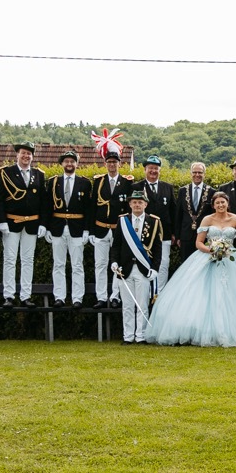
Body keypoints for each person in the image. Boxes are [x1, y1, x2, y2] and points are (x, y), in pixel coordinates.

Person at [144, 191, 236, 346]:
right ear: (213, 205)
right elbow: (199, 243)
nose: (220, 205)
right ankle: (200, 330)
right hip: (208, 256)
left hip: (230, 258)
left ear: (227, 203)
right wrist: (212, 250)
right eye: (217, 203)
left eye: (223, 202)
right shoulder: (207, 219)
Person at [0, 141, 47, 307]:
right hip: (11, 222)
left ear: (32, 156)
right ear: (17, 154)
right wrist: (1, 221)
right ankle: (9, 296)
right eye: (23, 153)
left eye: (29, 154)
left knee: (28, 260)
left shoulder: (39, 174)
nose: (26, 156)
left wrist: (43, 223)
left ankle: (25, 296)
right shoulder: (6, 173)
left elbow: (44, 202)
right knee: (10, 260)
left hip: (31, 223)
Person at [110, 190, 164, 343]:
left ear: (145, 204)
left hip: (143, 269)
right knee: (127, 305)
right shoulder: (123, 221)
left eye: (140, 202)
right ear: (130, 204)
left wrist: (155, 269)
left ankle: (140, 336)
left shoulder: (153, 221)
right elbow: (116, 245)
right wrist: (114, 262)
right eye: (134, 202)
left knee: (142, 305)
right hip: (124, 268)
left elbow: (158, 248)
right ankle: (128, 336)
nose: (137, 205)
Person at [46, 150, 93, 308]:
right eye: (66, 161)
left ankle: (77, 298)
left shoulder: (84, 183)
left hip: (77, 228)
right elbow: (47, 207)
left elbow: (88, 209)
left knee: (77, 265)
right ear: (62, 164)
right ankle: (59, 296)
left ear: (76, 164)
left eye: (72, 161)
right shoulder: (53, 182)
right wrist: (47, 228)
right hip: (57, 227)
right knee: (58, 264)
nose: (69, 164)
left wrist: (87, 230)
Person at [88, 141, 131, 307]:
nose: (112, 165)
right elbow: (92, 207)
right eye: (109, 162)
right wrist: (91, 231)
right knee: (100, 264)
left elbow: (129, 208)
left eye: (115, 162)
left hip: (118, 230)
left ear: (119, 164)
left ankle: (115, 296)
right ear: (105, 164)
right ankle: (101, 297)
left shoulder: (127, 183)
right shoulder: (98, 181)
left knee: (117, 264)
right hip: (100, 229)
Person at [137, 155, 177, 289]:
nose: (153, 171)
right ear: (145, 169)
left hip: (164, 233)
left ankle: (160, 293)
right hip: (143, 232)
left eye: (156, 168)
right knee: (144, 262)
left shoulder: (168, 187)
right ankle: (146, 292)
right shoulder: (137, 187)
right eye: (150, 168)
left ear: (160, 170)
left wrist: (174, 233)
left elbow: (173, 211)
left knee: (164, 263)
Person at [174, 162, 215, 272]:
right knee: (186, 266)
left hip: (204, 236)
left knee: (203, 267)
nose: (197, 175)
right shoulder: (183, 191)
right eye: (194, 172)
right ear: (191, 173)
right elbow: (178, 214)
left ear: (204, 174)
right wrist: (178, 236)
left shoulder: (212, 192)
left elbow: (213, 216)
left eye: (200, 172)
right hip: (186, 235)